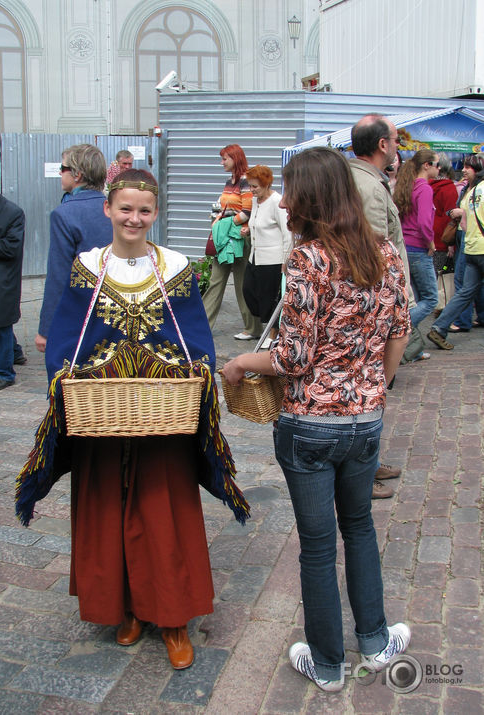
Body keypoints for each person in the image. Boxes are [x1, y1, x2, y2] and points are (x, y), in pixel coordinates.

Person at [16, 169, 249, 669]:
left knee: (163, 511)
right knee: (107, 506)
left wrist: (188, 375)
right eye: (125, 209)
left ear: (155, 213)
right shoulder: (86, 266)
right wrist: (70, 380)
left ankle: (171, 616)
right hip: (101, 414)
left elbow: (195, 339)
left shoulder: (176, 267)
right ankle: (126, 608)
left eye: (144, 210)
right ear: (108, 209)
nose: (134, 218)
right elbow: (65, 337)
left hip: (164, 414)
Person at [222, 147, 411, 692]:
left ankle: (327, 663)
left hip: (310, 423)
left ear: (309, 196)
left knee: (319, 543)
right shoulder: (385, 254)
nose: (283, 198)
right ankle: (374, 641)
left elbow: (293, 356)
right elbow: (398, 333)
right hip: (365, 417)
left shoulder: (307, 259)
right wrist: (375, 389)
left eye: (290, 188)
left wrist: (240, 363)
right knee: (360, 527)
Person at [349, 114, 409, 499]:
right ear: (383, 145)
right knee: (368, 387)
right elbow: (374, 255)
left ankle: (368, 462)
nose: (398, 148)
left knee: (369, 386)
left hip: (373, 304)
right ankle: (361, 471)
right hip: (373, 306)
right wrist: (388, 308)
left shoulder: (366, 179)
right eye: (395, 141)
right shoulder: (368, 186)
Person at [35, 144, 112, 353]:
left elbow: (59, 276)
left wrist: (46, 329)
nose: (60, 172)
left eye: (64, 168)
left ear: (77, 174)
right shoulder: (115, 209)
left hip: (79, 315)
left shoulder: (64, 214)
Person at [202, 144, 262, 340]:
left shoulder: (245, 181)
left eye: (224, 158)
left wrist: (226, 224)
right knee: (216, 281)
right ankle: (201, 326)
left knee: (242, 283)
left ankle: (253, 329)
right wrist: (219, 219)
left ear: (235, 159)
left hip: (238, 236)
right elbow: (227, 207)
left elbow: (247, 211)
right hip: (225, 236)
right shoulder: (230, 181)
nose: (221, 162)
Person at [427, 153, 484, 350]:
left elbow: (465, 225)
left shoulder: (470, 193)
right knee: (466, 290)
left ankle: (440, 326)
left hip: (471, 249)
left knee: (464, 291)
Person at [241, 165, 292, 348]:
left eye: (255, 186)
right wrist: (248, 230)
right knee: (248, 290)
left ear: (266, 184)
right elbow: (256, 222)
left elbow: (287, 233)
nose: (252, 190)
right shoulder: (256, 201)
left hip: (273, 259)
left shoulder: (277, 201)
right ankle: (265, 330)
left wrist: (286, 260)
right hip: (255, 256)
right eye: (250, 186)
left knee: (270, 298)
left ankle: (273, 334)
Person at [393, 148, 439, 331]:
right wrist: (431, 243)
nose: (439, 169)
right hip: (419, 248)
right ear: (427, 166)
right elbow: (424, 222)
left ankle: (414, 347)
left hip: (406, 246)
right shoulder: (425, 189)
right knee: (431, 299)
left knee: (416, 298)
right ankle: (401, 332)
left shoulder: (408, 186)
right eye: (437, 165)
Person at [445, 153, 484, 332]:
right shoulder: (467, 190)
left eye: (468, 167)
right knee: (467, 285)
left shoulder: (472, 191)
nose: (463, 170)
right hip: (468, 241)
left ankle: (455, 322)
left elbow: (466, 222)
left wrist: (462, 214)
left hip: (472, 242)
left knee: (464, 285)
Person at [0, 179, 25, 390]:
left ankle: (5, 373)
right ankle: (15, 353)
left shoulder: (13, 212)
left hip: (3, 279)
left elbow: (10, 248)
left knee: (2, 324)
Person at [430, 153, 458, 276]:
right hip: (442, 239)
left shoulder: (425, 186)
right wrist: (450, 244)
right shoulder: (449, 188)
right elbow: (450, 216)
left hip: (427, 237)